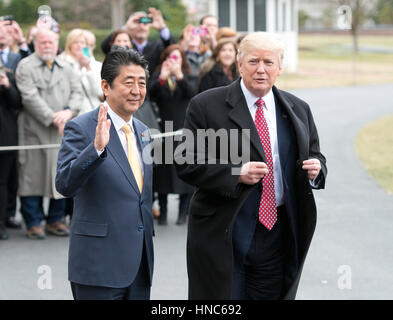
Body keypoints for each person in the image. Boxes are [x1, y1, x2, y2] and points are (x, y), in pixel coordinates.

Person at [175, 32, 327, 300]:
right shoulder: (206, 105)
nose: (261, 69)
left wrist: (317, 169)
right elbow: (186, 162)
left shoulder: (297, 108)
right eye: (254, 61)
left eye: (269, 63)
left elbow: (315, 153)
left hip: (277, 233)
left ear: (280, 67)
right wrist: (235, 173)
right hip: (225, 231)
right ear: (239, 63)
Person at [56, 48, 154, 300]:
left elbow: (138, 195)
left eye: (141, 83)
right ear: (106, 86)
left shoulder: (143, 130)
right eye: (128, 82)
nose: (136, 90)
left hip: (139, 265)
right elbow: (65, 184)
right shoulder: (80, 127)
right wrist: (97, 148)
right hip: (98, 266)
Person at [15, 28, 83, 240]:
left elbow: (77, 93)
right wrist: (54, 117)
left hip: (62, 131)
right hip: (34, 130)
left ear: (57, 44)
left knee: (59, 174)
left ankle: (55, 219)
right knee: (31, 177)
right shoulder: (25, 66)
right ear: (35, 43)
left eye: (51, 42)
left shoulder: (67, 67)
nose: (47, 46)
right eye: (43, 42)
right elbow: (29, 97)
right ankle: (33, 222)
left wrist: (69, 112)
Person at [149, 44, 197, 225]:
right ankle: (162, 211)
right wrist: (162, 77)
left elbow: (192, 93)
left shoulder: (189, 76)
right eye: (170, 58)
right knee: (162, 174)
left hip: (183, 130)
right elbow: (150, 94)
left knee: (185, 171)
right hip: (163, 129)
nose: (173, 62)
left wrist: (179, 75)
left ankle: (183, 213)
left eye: (176, 58)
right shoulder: (158, 77)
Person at [59, 28, 103, 115]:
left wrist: (88, 68)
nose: (79, 45)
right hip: (73, 114)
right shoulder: (62, 62)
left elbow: (99, 92)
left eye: (82, 43)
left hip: (94, 112)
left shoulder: (95, 65)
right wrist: (78, 67)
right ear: (69, 45)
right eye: (75, 42)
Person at [0, 68, 22, 240]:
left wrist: (7, 85)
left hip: (5, 137)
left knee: (3, 183)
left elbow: (17, 103)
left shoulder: (6, 76)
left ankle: (1, 223)